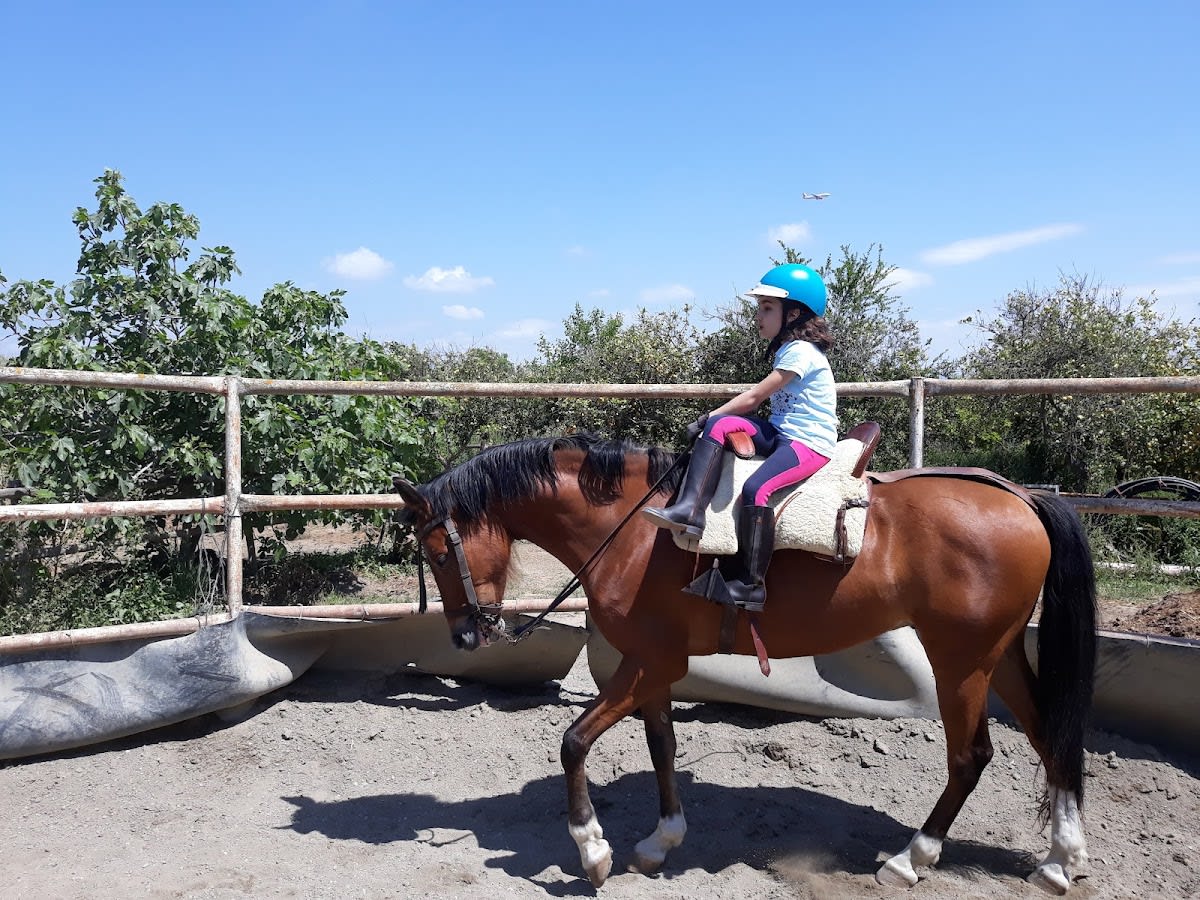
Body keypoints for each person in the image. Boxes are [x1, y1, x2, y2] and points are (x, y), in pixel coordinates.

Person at [642, 263, 837, 612]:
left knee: (756, 489)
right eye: (759, 307)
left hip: (808, 443)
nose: (758, 316)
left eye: (767, 308)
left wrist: (705, 416)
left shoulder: (801, 352)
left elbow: (753, 399)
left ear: (793, 313)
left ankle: (751, 585)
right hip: (781, 430)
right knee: (719, 429)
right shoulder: (787, 348)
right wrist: (712, 422)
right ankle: (690, 511)